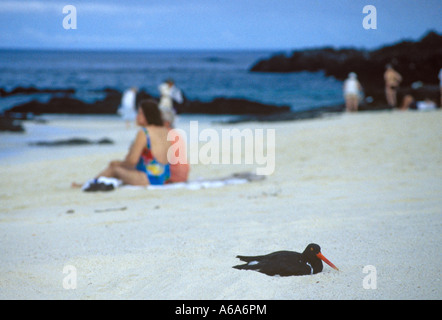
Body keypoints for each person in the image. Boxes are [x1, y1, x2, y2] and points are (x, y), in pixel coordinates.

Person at [73, 100, 173, 189]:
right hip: (165, 177)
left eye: (140, 113)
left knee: (114, 168)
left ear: (148, 115)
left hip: (149, 178)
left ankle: (87, 184)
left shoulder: (144, 132)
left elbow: (132, 161)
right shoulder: (165, 131)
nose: (137, 117)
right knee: (120, 168)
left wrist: (118, 163)